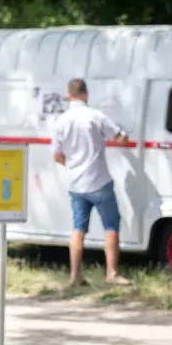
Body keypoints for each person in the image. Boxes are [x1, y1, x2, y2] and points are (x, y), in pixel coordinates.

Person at [52, 78, 131, 287]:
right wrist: (125, 135)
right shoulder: (96, 116)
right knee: (111, 226)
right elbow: (119, 137)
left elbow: (57, 156)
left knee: (78, 229)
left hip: (76, 185)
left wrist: (72, 166)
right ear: (86, 94)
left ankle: (75, 276)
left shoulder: (61, 121)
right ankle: (112, 273)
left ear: (69, 96)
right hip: (99, 181)